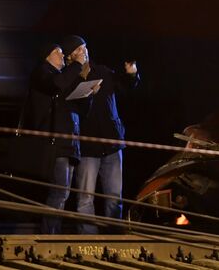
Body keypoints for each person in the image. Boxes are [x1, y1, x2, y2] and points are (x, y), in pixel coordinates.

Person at [60, 35, 139, 234]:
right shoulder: (68, 78)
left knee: (114, 197)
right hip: (87, 147)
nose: (84, 52)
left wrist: (131, 74)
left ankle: (116, 238)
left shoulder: (102, 71)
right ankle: (89, 242)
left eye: (85, 48)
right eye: (78, 50)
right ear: (69, 57)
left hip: (111, 143)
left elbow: (126, 86)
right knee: (85, 198)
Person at [22, 41, 86, 234]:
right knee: (58, 192)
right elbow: (56, 85)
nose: (62, 57)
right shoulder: (42, 73)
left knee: (64, 193)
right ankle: (49, 235)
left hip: (69, 142)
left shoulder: (62, 77)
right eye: (58, 53)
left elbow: (75, 102)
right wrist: (76, 65)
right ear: (46, 56)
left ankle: (53, 232)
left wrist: (88, 93)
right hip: (54, 143)